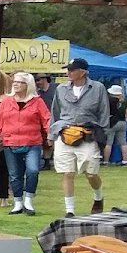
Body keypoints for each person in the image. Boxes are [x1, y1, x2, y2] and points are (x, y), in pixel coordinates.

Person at [50, 58, 110, 217]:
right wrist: (52, 133)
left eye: (72, 69)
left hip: (88, 133)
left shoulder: (98, 88)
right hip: (65, 132)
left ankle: (98, 197)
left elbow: (104, 113)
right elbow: (55, 112)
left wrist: (103, 137)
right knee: (67, 172)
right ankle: (69, 210)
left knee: (91, 173)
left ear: (83, 72)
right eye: (68, 69)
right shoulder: (61, 89)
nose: (68, 72)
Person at [0, 71, 50, 216]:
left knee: (33, 170)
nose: (15, 84)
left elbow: (46, 119)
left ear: (28, 85)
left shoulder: (37, 101)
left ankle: (29, 200)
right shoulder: (6, 101)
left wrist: (50, 134)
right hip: (10, 142)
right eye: (14, 81)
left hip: (32, 142)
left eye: (19, 82)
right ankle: (18, 202)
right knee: (14, 175)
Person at [102, 84, 126, 166]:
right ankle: (125, 161)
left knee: (109, 143)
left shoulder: (109, 100)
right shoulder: (124, 101)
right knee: (123, 143)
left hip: (112, 122)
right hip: (122, 122)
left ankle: (106, 161)